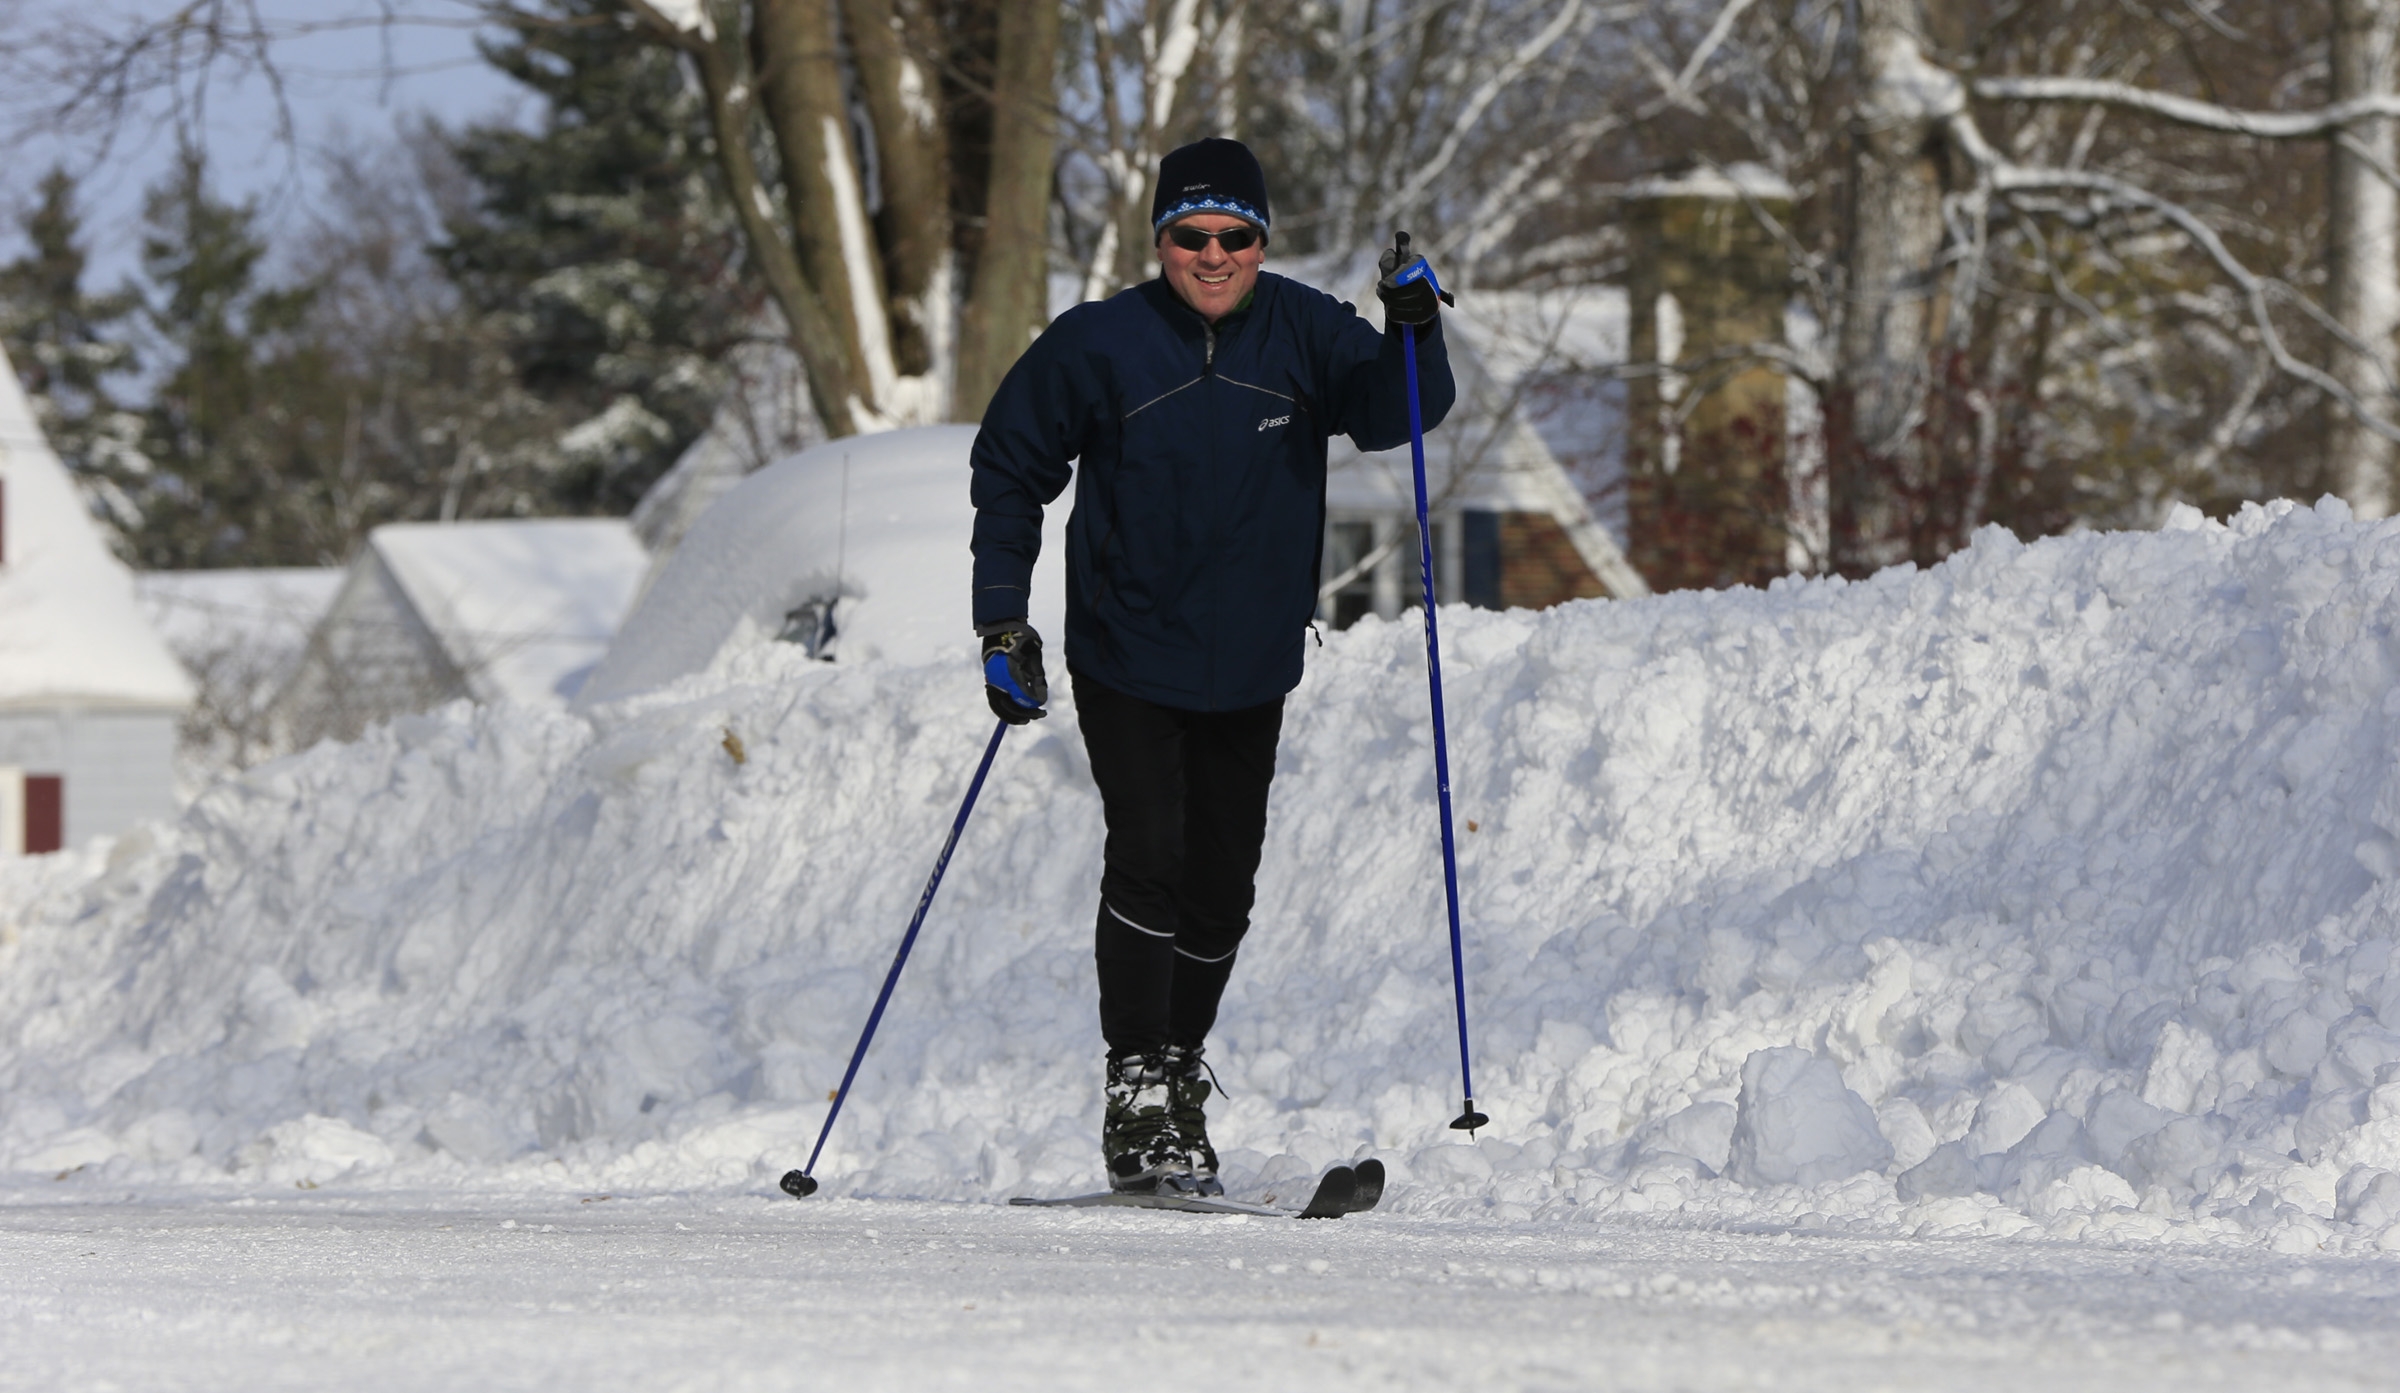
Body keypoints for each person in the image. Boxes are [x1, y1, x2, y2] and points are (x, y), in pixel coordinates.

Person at [968, 137, 1455, 1195]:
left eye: (1237, 235)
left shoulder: (1306, 329)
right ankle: (1137, 1084)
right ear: (1161, 240)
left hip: (1253, 661)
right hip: (1128, 649)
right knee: (1150, 849)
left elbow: (1396, 412)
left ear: (1262, 240)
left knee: (1223, 886)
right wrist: (1002, 621)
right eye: (1192, 235)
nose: (1215, 253)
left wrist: (1415, 330)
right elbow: (1009, 467)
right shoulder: (1100, 343)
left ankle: (1178, 1073)